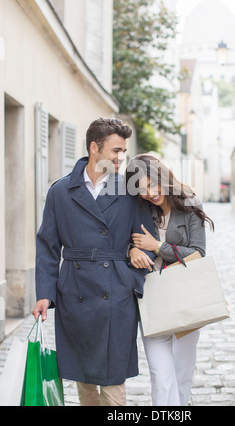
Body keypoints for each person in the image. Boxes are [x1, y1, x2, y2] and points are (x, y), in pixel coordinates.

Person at [32, 118, 156, 407]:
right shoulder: (60, 192)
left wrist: (133, 270)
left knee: (113, 382)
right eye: (115, 150)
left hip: (117, 294)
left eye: (123, 151)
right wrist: (44, 295)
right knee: (83, 378)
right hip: (75, 293)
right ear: (94, 148)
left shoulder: (131, 190)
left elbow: (148, 241)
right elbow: (48, 247)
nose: (120, 157)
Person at [125, 154, 214, 406]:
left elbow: (198, 254)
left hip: (185, 300)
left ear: (162, 177)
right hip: (151, 299)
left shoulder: (188, 203)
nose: (150, 193)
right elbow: (120, 243)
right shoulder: (137, 209)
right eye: (141, 189)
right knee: (160, 375)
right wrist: (131, 251)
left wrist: (158, 246)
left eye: (152, 184)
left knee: (182, 375)